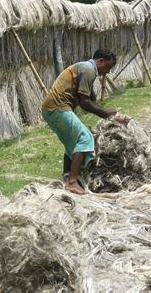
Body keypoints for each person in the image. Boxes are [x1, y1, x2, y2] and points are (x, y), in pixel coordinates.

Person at [41, 49, 129, 195]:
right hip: (58, 107)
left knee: (73, 143)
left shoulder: (86, 70)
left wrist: (111, 115)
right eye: (107, 67)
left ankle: (67, 177)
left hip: (51, 109)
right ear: (100, 61)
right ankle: (72, 182)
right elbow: (85, 103)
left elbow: (91, 99)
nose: (107, 72)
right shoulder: (88, 69)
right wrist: (108, 115)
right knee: (84, 137)